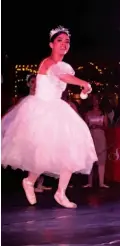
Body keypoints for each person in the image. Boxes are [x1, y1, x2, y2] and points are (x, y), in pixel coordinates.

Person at [1, 26, 97, 208]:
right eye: (60, 41)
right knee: (43, 153)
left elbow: (63, 78)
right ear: (51, 44)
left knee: (71, 149)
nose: (64, 44)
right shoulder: (48, 63)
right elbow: (61, 76)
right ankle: (29, 181)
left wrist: (81, 88)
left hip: (57, 109)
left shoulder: (64, 66)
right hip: (41, 110)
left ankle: (61, 192)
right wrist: (84, 83)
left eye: (67, 41)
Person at [83, 95, 110, 189]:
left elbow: (106, 127)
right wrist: (91, 127)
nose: (95, 102)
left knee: (101, 158)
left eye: (97, 100)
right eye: (94, 100)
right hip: (90, 137)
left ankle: (101, 183)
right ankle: (89, 183)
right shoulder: (88, 113)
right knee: (90, 159)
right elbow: (84, 126)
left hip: (100, 136)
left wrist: (98, 126)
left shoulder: (103, 113)